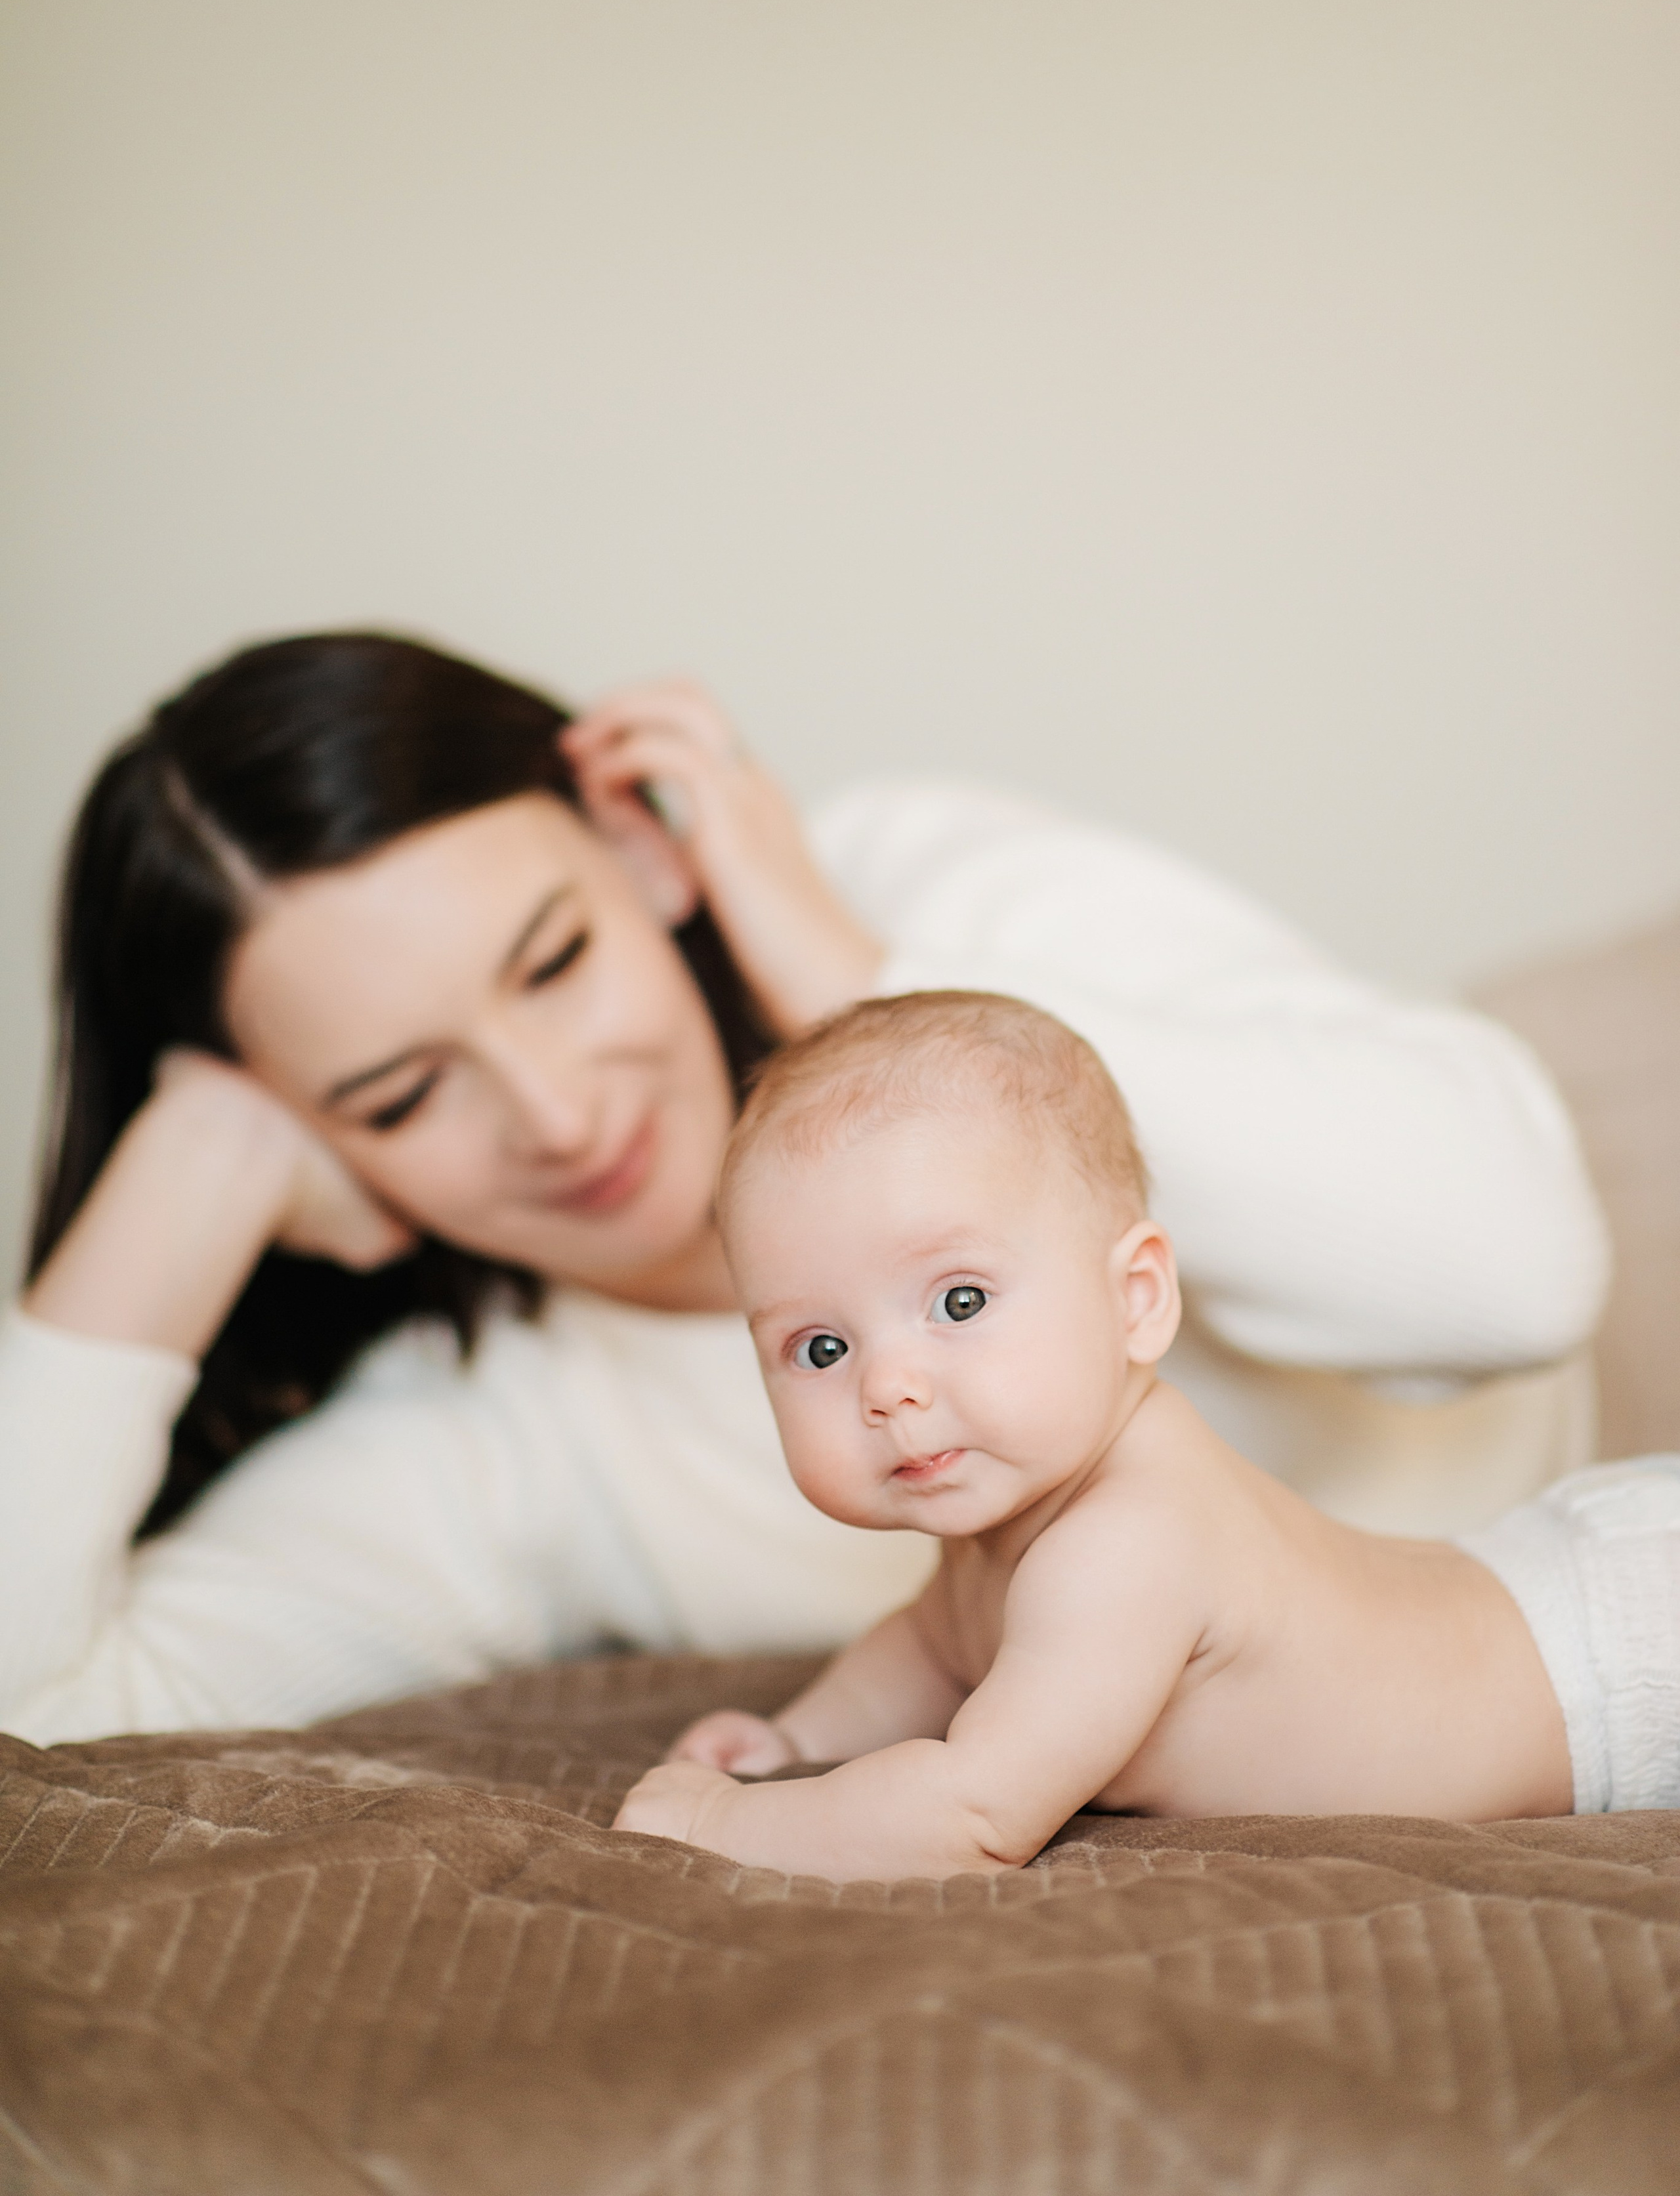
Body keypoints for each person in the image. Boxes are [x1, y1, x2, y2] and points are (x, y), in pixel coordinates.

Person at [1, 633, 1608, 1746]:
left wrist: (866, 987)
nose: (557, 1114)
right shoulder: (499, 1433)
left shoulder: (909, 890)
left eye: (553, 962)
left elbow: (1518, 1272)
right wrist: (189, 1173)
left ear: (641, 846)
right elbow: (39, 1716)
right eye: (400, 1094)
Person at [617, 994, 1673, 1881]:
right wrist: (799, 1738)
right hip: (1537, 1579)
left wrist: (722, 1823)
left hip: (1620, 1663)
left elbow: (972, 1815)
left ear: (1136, 1299)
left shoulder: (1127, 1542)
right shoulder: (1011, 1518)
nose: (888, 1387)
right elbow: (934, 1647)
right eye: (821, 1348)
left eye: (960, 1301)